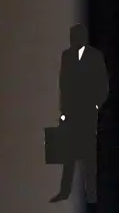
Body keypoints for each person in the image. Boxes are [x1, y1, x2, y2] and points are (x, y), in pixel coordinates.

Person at [49, 24, 107, 202]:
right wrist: (63, 111)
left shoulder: (94, 56)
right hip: (72, 112)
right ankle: (65, 191)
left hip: (88, 112)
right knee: (69, 154)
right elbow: (63, 84)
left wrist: (96, 106)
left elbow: (102, 84)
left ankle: (91, 194)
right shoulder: (67, 56)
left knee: (89, 156)